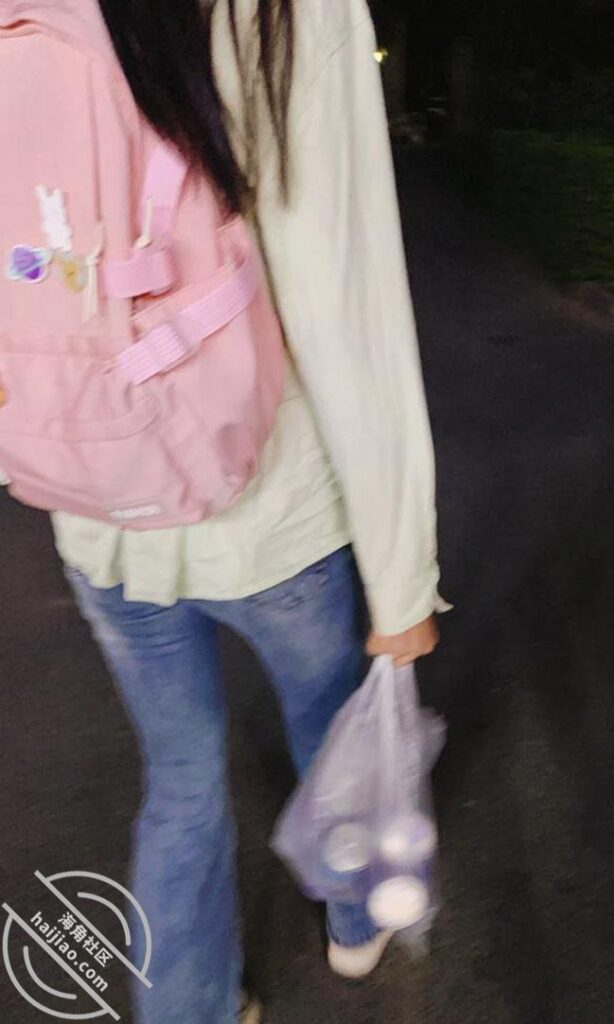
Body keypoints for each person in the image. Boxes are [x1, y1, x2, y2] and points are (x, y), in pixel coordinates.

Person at [51, 0, 444, 1022]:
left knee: (180, 781)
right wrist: (401, 574)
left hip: (100, 510)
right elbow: (344, 302)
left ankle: (189, 1006)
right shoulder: (291, 13)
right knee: (329, 730)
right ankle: (352, 921)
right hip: (272, 507)